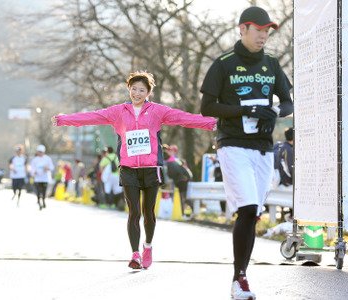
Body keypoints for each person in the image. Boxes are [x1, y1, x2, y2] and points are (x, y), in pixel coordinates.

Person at [52, 71, 217, 269]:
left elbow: (183, 118)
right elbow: (92, 117)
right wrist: (64, 120)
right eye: (133, 89)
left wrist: (212, 123)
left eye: (141, 90)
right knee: (134, 212)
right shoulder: (118, 112)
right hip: (128, 168)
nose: (137, 93)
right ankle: (135, 254)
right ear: (128, 89)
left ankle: (147, 246)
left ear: (148, 92)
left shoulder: (157, 111)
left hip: (150, 169)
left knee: (148, 212)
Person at [199, 6, 294, 299]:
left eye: (267, 31)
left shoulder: (272, 64)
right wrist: (245, 110)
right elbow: (208, 107)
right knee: (249, 208)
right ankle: (239, 278)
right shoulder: (223, 64)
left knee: (253, 213)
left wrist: (274, 111)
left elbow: (288, 102)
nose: (264, 36)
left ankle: (241, 273)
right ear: (243, 29)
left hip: (263, 147)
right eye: (258, 30)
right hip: (232, 144)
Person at [163, 145, 193, 219]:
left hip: (181, 180)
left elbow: (174, 172)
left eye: (171, 150)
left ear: (174, 152)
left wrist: (170, 176)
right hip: (182, 179)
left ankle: (182, 214)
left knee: (181, 197)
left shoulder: (172, 160)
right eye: (168, 150)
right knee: (183, 197)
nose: (169, 151)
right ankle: (186, 212)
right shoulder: (176, 159)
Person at [30, 144, 54, 210]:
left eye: (41, 152)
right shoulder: (35, 159)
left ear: (44, 152)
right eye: (39, 151)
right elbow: (32, 168)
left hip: (45, 178)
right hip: (37, 178)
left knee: (43, 191)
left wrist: (47, 168)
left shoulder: (47, 158)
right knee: (38, 191)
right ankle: (39, 201)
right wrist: (33, 172)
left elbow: (52, 167)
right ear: (37, 152)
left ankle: (43, 201)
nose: (40, 153)